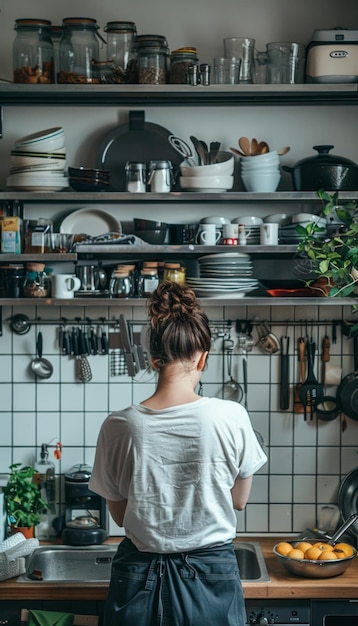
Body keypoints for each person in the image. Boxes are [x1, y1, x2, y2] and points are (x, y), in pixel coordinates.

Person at [89, 280, 267, 626]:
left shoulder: (118, 425)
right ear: (203, 358)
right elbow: (239, 501)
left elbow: (121, 516)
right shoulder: (230, 416)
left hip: (137, 577)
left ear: (152, 359)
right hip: (210, 575)